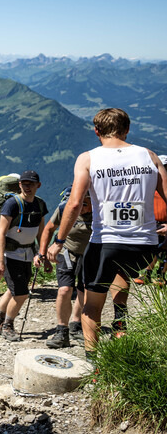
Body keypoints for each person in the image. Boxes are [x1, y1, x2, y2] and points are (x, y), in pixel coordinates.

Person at [47, 109, 167, 355]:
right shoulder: (150, 156)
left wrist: (58, 240)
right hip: (146, 247)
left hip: (106, 243)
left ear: (96, 131)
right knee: (123, 273)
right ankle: (121, 321)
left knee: (92, 306)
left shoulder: (88, 159)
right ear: (128, 129)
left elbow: (74, 203)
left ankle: (95, 363)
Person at [0, 170, 48, 341]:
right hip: (11, 254)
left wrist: (41, 253)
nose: (27, 186)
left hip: (28, 254)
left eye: (31, 183)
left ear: (38, 185)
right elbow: (1, 233)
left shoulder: (40, 205)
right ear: (19, 185)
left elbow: (41, 231)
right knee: (21, 293)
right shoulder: (12, 204)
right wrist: (0, 260)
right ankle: (8, 326)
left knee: (13, 289)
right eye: (23, 183)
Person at [38, 189, 92, 348]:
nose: (81, 208)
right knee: (64, 290)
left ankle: (77, 324)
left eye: (85, 204)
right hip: (66, 251)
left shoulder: (101, 210)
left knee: (84, 290)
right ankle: (62, 331)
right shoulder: (65, 208)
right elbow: (48, 229)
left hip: (89, 253)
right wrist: (42, 253)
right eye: (79, 204)